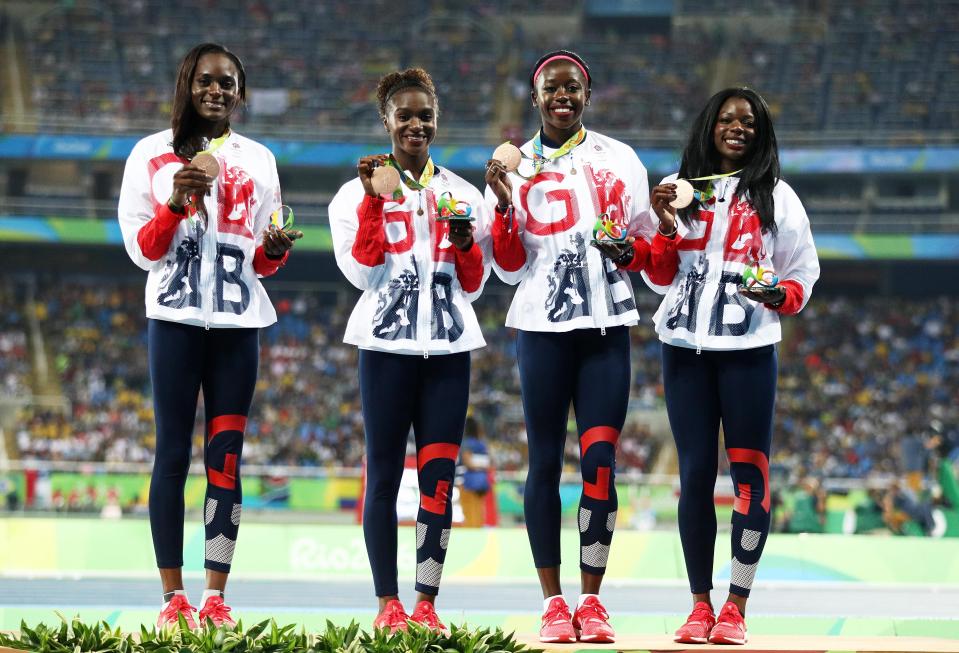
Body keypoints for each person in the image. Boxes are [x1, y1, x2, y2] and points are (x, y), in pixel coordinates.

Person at [484, 50, 678, 644]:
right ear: (535, 98)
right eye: (551, 89)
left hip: (604, 330)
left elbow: (650, 254)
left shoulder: (619, 159)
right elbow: (510, 269)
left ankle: (591, 601)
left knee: (599, 463)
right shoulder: (510, 166)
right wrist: (502, 206)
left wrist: (644, 244)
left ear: (587, 96)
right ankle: (552, 601)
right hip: (541, 330)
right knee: (544, 463)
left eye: (572, 88)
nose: (562, 96)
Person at [118, 42, 299, 630]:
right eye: (205, 81)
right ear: (186, 84)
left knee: (225, 458)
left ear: (240, 93)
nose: (217, 90)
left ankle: (215, 594)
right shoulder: (150, 154)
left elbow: (264, 257)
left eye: (228, 82)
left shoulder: (260, 160)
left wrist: (273, 252)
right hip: (173, 319)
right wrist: (175, 201)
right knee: (172, 453)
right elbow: (143, 250)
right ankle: (173, 597)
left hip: (237, 324)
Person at [644, 87, 820, 645]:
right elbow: (659, 275)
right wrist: (667, 224)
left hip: (749, 352)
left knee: (750, 478)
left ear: (761, 133)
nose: (737, 128)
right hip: (684, 349)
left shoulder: (780, 198)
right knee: (694, 477)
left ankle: (736, 605)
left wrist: (779, 296)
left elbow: (802, 275)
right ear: (709, 127)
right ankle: (700, 605)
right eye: (726, 119)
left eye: (748, 121)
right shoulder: (680, 190)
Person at [328, 68, 491, 634]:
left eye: (425, 115)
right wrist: (376, 202)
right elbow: (360, 271)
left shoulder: (464, 195)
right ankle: (386, 605)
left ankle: (425, 602)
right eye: (405, 115)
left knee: (438, 480)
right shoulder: (352, 194)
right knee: (382, 477)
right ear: (387, 121)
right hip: (385, 349)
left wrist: (467, 242)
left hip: (448, 351)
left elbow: (474, 284)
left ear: (436, 121)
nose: (416, 124)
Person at [458, 415, 492, 527]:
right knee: (478, 508)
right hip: (482, 481)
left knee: (469, 509)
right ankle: (477, 527)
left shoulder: (466, 443)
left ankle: (472, 529)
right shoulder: (482, 443)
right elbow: (489, 462)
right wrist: (482, 467)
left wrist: (476, 467)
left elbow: (468, 462)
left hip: (468, 480)